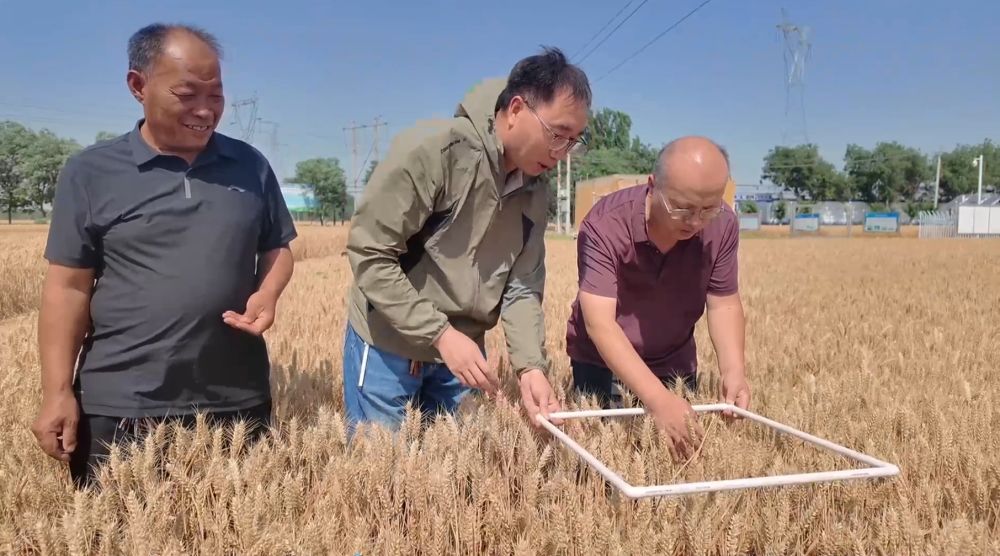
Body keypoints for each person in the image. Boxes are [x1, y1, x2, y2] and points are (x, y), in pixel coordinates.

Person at [30, 23, 297, 489]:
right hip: (122, 403)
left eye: (216, 96)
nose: (205, 111)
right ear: (138, 86)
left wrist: (268, 292)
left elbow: (278, 246)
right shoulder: (90, 172)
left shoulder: (250, 165)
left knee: (232, 524)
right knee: (116, 523)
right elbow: (67, 289)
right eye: (187, 94)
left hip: (235, 399)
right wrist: (57, 392)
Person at [343, 47, 591, 431]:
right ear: (516, 109)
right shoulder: (435, 152)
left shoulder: (534, 192)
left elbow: (522, 286)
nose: (562, 153)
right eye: (557, 135)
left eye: (573, 142)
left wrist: (530, 367)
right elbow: (371, 254)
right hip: (388, 345)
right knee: (382, 465)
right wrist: (439, 334)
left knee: (457, 464)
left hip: (465, 356)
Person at [565, 136, 751, 460]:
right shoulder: (605, 225)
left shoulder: (723, 225)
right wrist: (658, 400)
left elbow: (723, 303)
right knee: (602, 463)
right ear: (653, 186)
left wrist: (733, 371)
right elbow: (599, 324)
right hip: (603, 362)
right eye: (682, 208)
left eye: (709, 208)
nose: (695, 222)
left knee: (675, 462)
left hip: (673, 361)